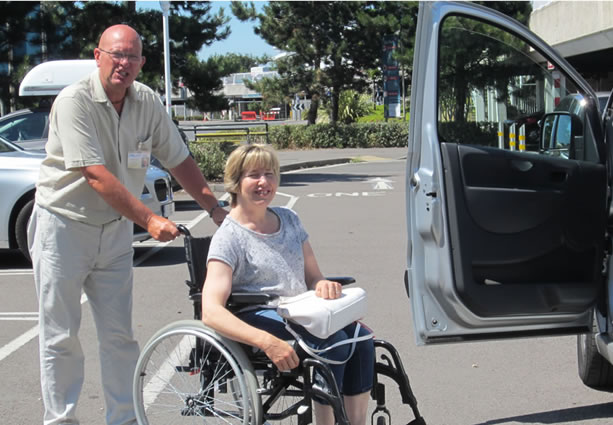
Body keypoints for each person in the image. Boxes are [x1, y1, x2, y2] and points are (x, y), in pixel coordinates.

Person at [27, 24, 227, 425]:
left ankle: (124, 418)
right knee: (60, 334)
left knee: (120, 336)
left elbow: (178, 158)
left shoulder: (146, 101)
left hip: (115, 231)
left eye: (132, 56)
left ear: (142, 62)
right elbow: (95, 174)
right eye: (116, 54)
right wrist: (150, 218)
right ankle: (60, 420)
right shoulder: (73, 101)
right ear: (97, 55)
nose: (124, 63)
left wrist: (216, 211)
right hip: (63, 226)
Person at [202, 144, 374, 425]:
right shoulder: (229, 237)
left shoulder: (289, 219)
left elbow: (314, 277)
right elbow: (211, 311)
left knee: (362, 340)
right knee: (333, 345)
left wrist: (323, 286)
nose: (264, 182)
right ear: (235, 182)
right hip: (261, 313)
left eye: (269, 174)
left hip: (303, 309)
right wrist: (266, 342)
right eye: (253, 175)